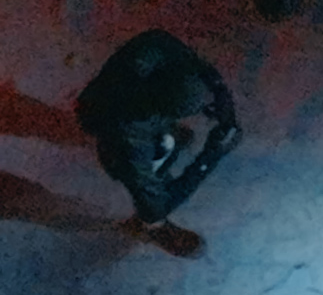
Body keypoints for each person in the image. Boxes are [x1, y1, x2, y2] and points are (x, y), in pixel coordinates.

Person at [73, 29, 240, 239]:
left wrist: (217, 87)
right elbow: (156, 206)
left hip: (95, 99)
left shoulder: (149, 51)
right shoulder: (133, 140)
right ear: (164, 113)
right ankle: (149, 229)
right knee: (163, 152)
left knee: (175, 139)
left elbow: (181, 55)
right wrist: (212, 154)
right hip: (111, 131)